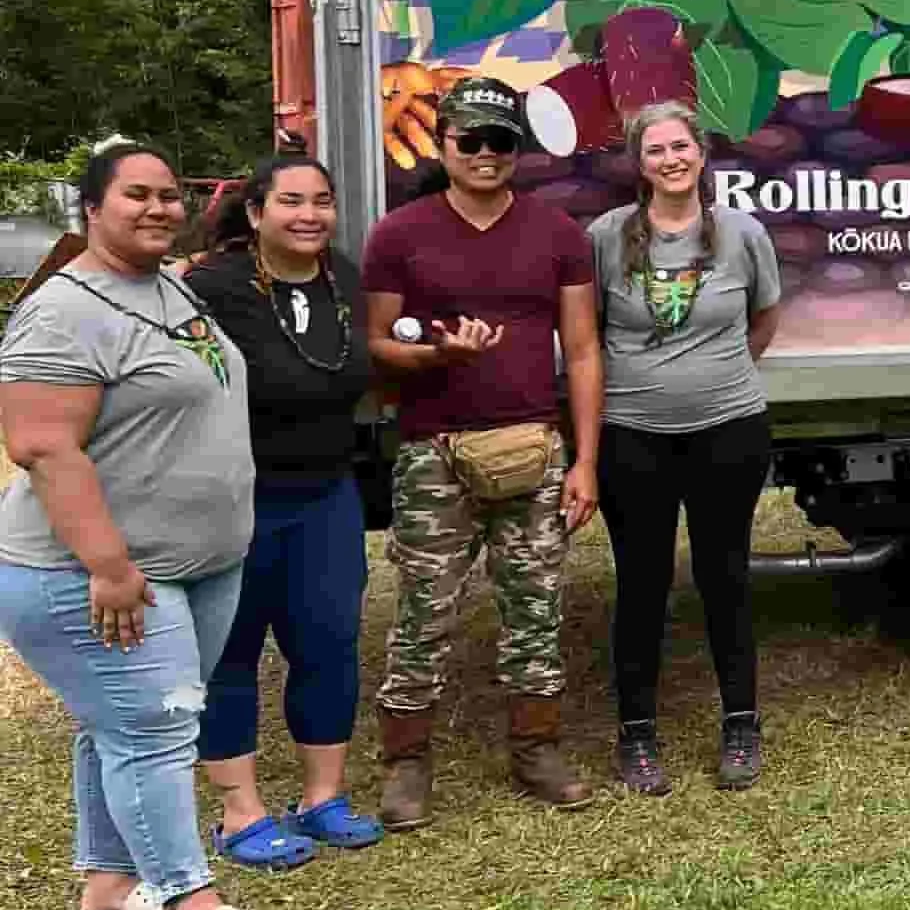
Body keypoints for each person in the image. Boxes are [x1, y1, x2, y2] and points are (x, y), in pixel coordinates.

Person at [0, 143, 277, 910]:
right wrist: (109, 565)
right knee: (153, 725)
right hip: (96, 570)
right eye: (137, 196)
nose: (159, 208)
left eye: (167, 196)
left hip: (195, 562)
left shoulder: (163, 288)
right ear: (91, 207)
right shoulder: (63, 309)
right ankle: (186, 904)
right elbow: (42, 445)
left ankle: (111, 883)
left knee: (114, 724)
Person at [361, 74, 602, 823]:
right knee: (425, 611)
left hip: (533, 444)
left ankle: (537, 750)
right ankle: (406, 763)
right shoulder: (398, 235)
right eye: (472, 139)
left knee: (536, 607)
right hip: (435, 451)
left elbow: (585, 351)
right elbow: (376, 346)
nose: (487, 153)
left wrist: (585, 459)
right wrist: (437, 356)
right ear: (446, 142)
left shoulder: (558, 233)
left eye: (502, 141)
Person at [186, 154, 382, 865]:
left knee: (328, 642)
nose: (310, 215)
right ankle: (241, 815)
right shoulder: (209, 284)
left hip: (327, 495)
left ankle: (322, 798)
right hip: (235, 501)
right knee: (230, 651)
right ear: (255, 212)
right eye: (291, 201)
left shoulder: (343, 278)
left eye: (322, 201)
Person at [589, 101, 784, 794]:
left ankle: (741, 724)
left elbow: (763, 320)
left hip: (728, 431)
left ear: (702, 154)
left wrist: (714, 377)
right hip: (633, 436)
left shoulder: (741, 233)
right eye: (655, 151)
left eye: (681, 147)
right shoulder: (608, 237)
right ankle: (636, 734)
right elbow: (587, 335)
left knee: (724, 577)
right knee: (641, 585)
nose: (670, 159)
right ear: (638, 164)